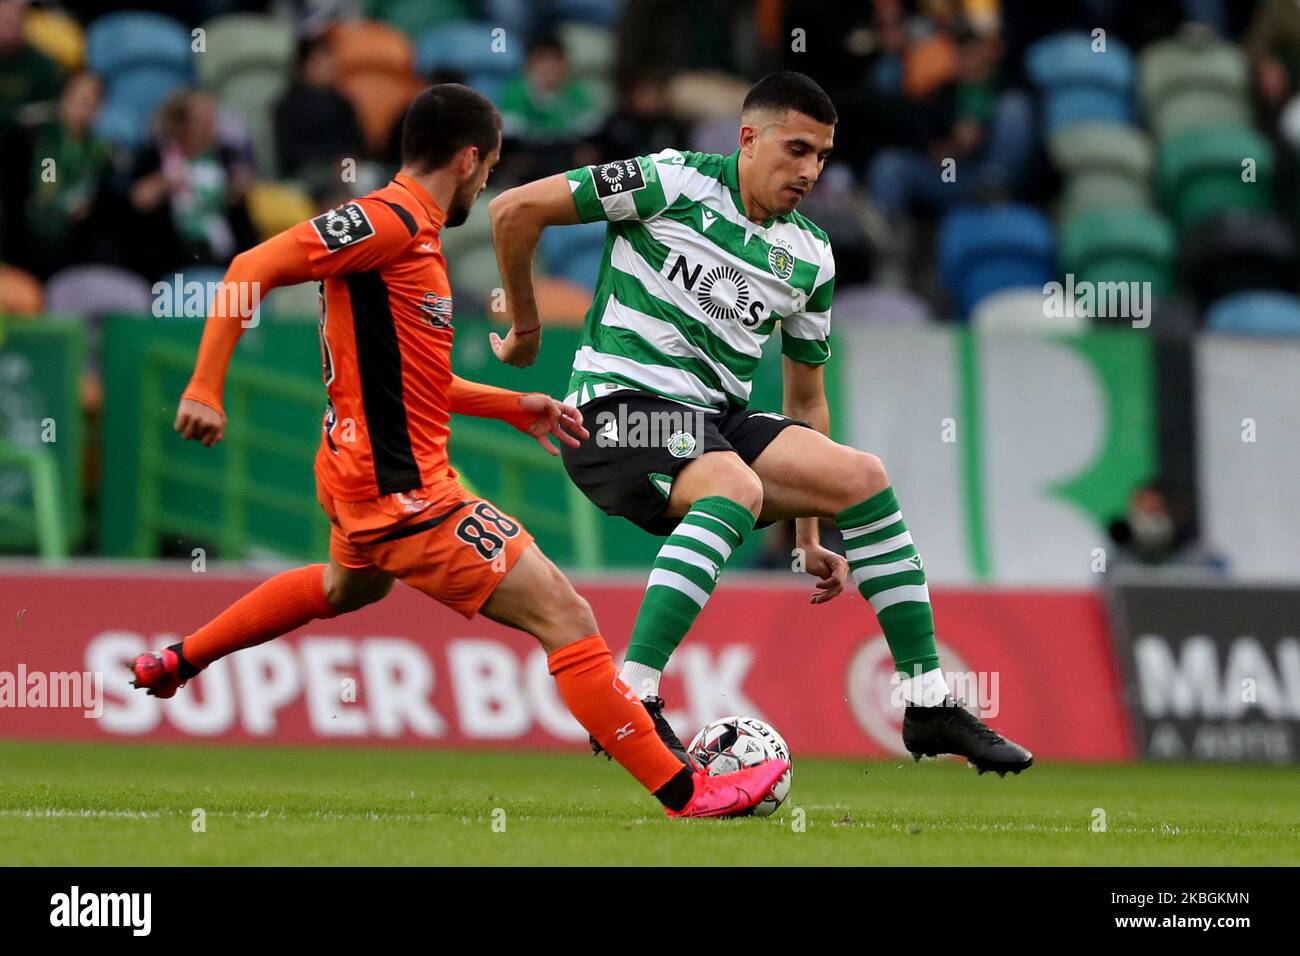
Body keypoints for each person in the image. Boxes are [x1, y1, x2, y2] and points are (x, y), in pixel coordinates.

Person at [128, 84, 786, 819]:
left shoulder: (413, 237)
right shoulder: (389, 221)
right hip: (402, 492)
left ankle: (182, 659)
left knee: (348, 589)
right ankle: (686, 790)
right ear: (469, 158)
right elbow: (252, 265)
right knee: (565, 617)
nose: (487, 183)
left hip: (357, 477)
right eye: (491, 168)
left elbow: (420, 378)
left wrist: (513, 405)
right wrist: (204, 386)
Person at [487, 71, 1034, 775]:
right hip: (614, 416)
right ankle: (635, 695)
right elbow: (513, 210)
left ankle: (927, 703)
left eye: (823, 157)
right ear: (749, 138)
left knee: (861, 478)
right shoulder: (669, 179)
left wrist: (808, 531)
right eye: (798, 149)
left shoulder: (810, 256)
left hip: (714, 424)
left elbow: (807, 402)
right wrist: (526, 329)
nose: (810, 171)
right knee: (734, 485)